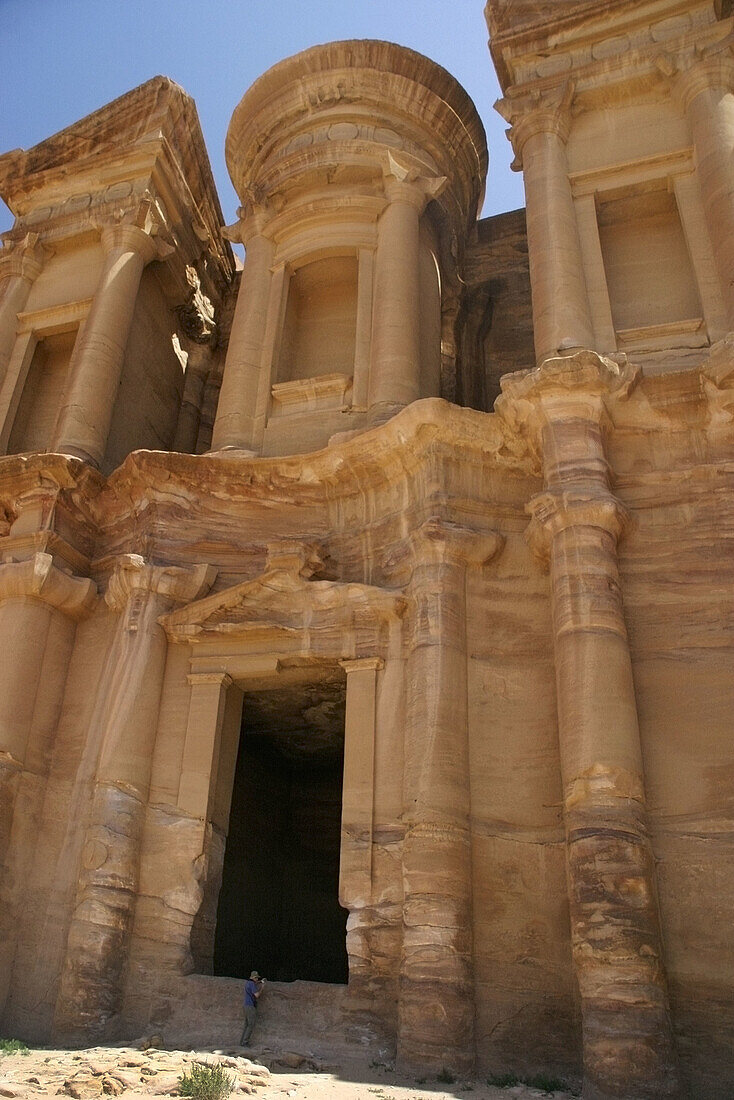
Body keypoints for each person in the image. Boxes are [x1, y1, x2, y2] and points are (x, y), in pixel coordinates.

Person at [240, 970, 265, 1046]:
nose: (257, 979)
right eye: (256, 978)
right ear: (254, 978)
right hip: (250, 1006)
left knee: (246, 1025)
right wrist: (262, 988)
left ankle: (242, 1042)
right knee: (251, 1025)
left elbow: (254, 984)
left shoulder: (248, 983)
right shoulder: (252, 984)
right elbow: (257, 995)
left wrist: (260, 982)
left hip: (246, 1005)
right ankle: (245, 1042)